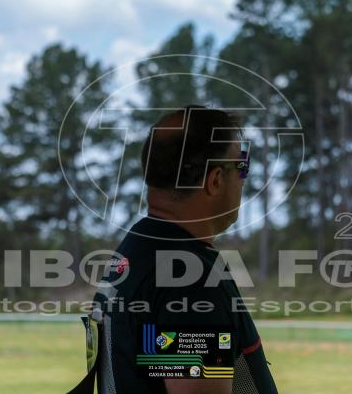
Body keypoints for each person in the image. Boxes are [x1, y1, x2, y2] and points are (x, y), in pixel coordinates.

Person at [92, 105, 278, 394]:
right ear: (215, 180)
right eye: (241, 165)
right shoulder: (188, 281)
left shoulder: (140, 248)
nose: (244, 178)